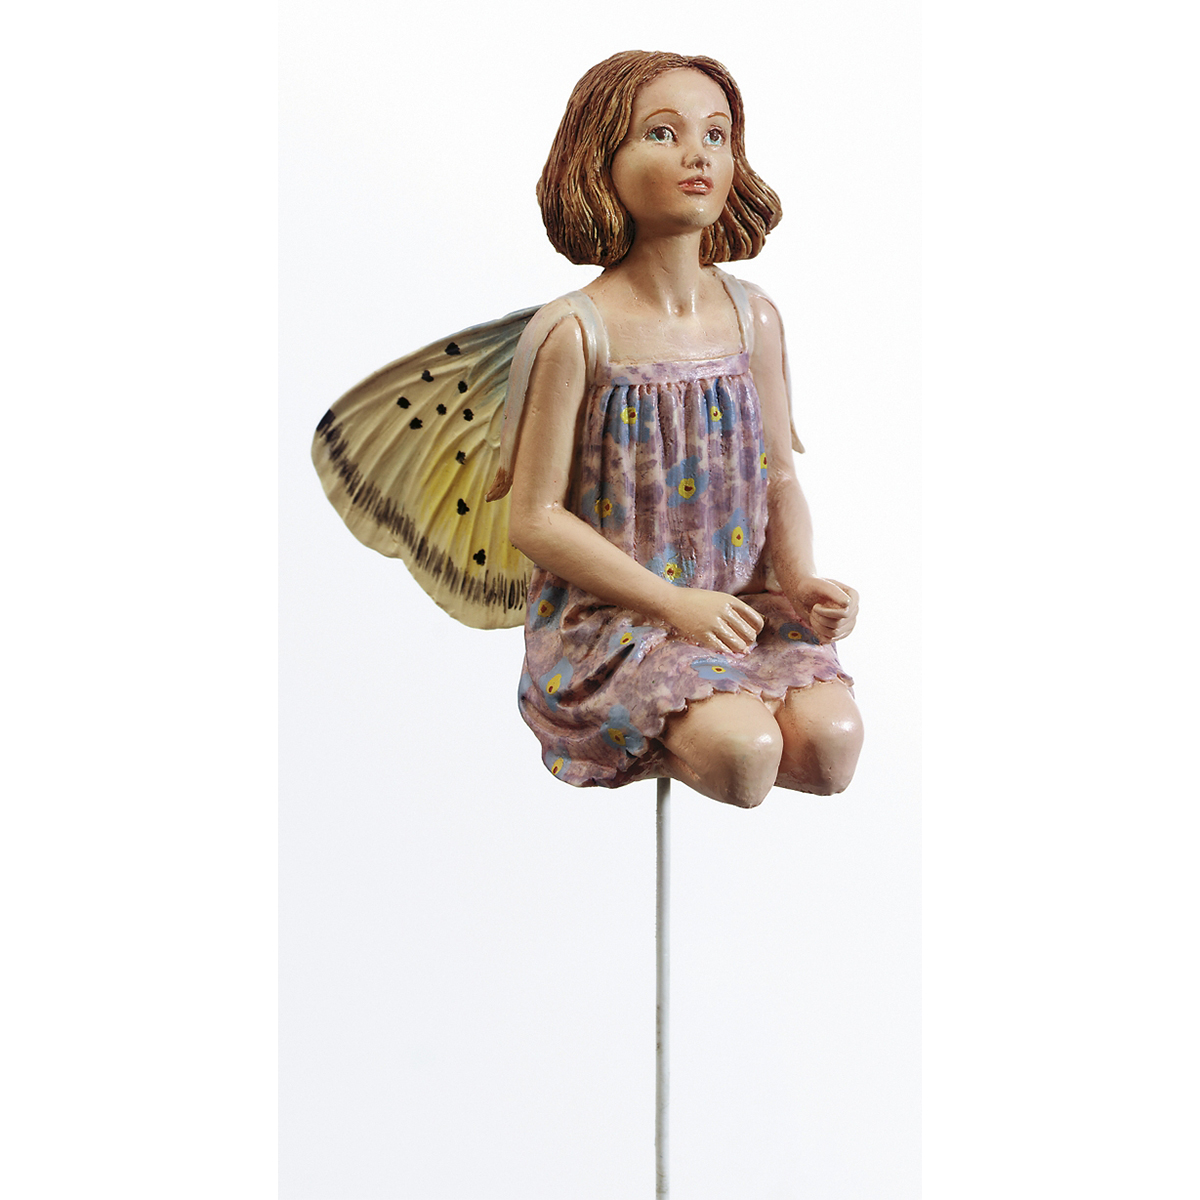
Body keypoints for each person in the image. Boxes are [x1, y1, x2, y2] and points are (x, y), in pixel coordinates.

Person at [485, 51, 864, 807]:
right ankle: (667, 728)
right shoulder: (576, 332)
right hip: (620, 621)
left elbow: (779, 475)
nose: (699, 155)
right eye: (662, 133)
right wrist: (674, 604)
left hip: (743, 607)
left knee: (831, 747)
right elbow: (534, 517)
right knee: (745, 754)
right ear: (599, 160)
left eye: (716, 135)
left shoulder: (753, 318)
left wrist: (801, 580)